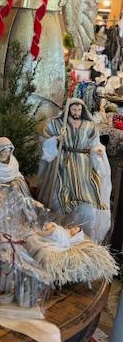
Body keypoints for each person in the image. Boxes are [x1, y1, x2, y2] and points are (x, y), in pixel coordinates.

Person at [38, 98, 111, 242]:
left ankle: (80, 233)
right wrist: (57, 140)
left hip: (83, 165)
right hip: (63, 162)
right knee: (60, 194)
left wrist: (98, 150)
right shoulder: (57, 123)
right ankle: (57, 231)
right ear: (68, 110)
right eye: (73, 109)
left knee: (87, 198)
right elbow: (44, 139)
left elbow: (95, 143)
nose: (76, 112)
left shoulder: (90, 126)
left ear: (82, 110)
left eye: (79, 109)